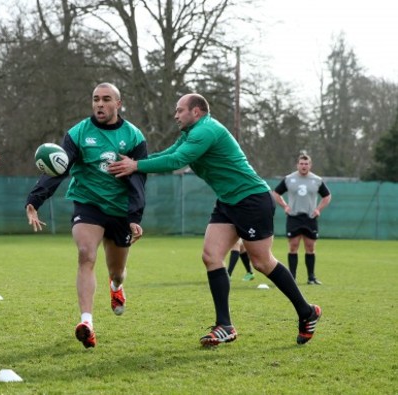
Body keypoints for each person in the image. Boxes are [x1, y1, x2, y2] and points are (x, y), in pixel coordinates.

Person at [108, 93, 322, 346]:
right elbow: (168, 153)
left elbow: (177, 161)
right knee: (211, 256)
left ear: (196, 112)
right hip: (228, 201)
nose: (175, 115)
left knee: (262, 262)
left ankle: (307, 312)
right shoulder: (190, 134)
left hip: (251, 199)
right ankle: (225, 326)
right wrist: (135, 162)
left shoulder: (206, 130)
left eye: (180, 110)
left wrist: (136, 166)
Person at [26, 82, 147, 349]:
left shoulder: (134, 136)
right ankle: (87, 322)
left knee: (117, 272)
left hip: (120, 210)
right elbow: (59, 167)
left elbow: (139, 179)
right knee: (86, 254)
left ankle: (115, 288)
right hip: (88, 204)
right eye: (95, 99)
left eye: (106, 99)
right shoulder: (79, 133)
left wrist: (134, 216)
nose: (100, 104)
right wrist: (35, 199)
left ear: (119, 103)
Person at [272, 153, 332, 285]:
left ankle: (311, 277)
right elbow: (275, 193)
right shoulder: (289, 179)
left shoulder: (316, 180)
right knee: (293, 246)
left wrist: (318, 209)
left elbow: (327, 196)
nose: (304, 166)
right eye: (301, 164)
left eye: (306, 164)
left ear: (310, 165)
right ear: (297, 165)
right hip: (294, 217)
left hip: (310, 218)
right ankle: (291, 278)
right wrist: (285, 206)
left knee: (310, 247)